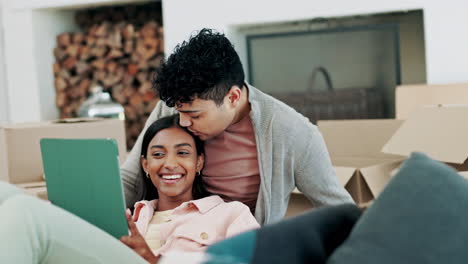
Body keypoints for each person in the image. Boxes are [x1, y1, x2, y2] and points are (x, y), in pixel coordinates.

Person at [121, 28, 353, 225]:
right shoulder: (175, 106)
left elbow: (337, 209)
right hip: (169, 232)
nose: (182, 122)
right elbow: (131, 179)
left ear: (232, 97)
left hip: (239, 247)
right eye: (179, 112)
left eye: (194, 115)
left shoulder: (293, 134)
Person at [0, 114, 259, 264]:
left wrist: (155, 260)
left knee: (24, 212)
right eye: (158, 154)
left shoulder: (231, 214)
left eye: (182, 153)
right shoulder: (129, 214)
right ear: (145, 165)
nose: (169, 164)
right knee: (6, 194)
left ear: (199, 162)